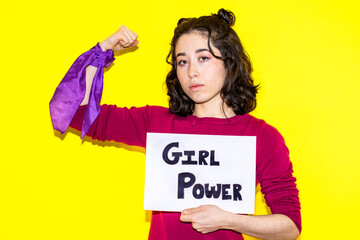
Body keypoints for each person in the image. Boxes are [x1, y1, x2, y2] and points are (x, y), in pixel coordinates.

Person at [50, 9, 301, 240]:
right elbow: (69, 112)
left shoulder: (262, 136)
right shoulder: (156, 123)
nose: (191, 71)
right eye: (182, 61)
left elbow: (290, 227)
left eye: (203, 58)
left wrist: (228, 220)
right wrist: (102, 52)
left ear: (229, 62)